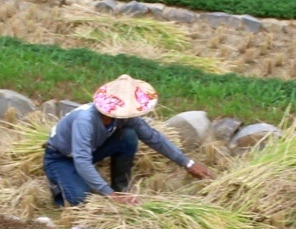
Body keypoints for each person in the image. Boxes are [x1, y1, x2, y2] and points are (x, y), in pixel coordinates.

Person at [43, 75, 212, 207]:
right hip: (62, 158)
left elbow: (152, 137)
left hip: (89, 151)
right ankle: (59, 184)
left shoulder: (123, 117)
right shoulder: (85, 121)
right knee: (81, 199)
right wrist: (109, 195)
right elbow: (82, 162)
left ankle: (121, 188)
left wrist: (187, 163)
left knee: (129, 137)